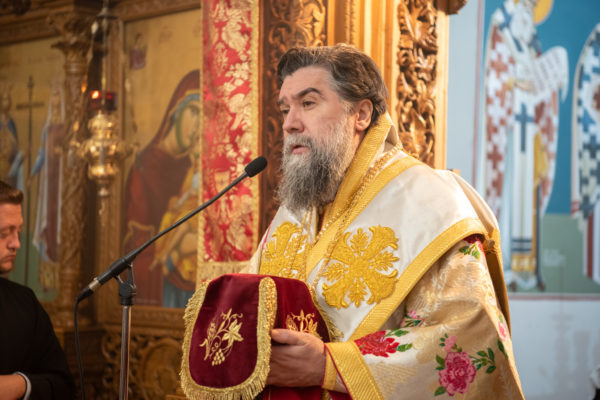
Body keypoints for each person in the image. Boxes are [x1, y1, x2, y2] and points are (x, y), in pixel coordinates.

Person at [245, 44, 524, 398]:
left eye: (308, 103)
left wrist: (330, 366)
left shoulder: (430, 202)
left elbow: (471, 339)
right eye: (285, 108)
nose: (289, 123)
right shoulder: (298, 209)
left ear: (361, 114)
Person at [0, 180, 75, 399]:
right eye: (4, 234)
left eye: (18, 231)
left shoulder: (25, 304)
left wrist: (19, 385)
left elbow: (63, 386)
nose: (16, 244)